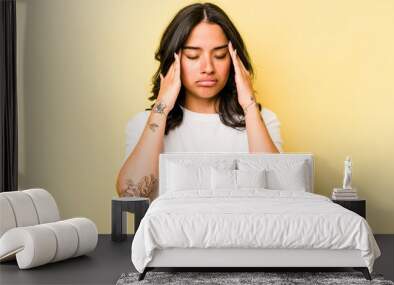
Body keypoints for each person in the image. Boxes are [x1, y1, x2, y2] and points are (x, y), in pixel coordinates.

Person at [116, 2, 283, 200]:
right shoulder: (145, 124)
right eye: (193, 56)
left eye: (220, 55)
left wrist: (249, 106)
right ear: (173, 60)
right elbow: (130, 194)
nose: (208, 68)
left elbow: (280, 195)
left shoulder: (262, 120)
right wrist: (160, 109)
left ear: (234, 60)